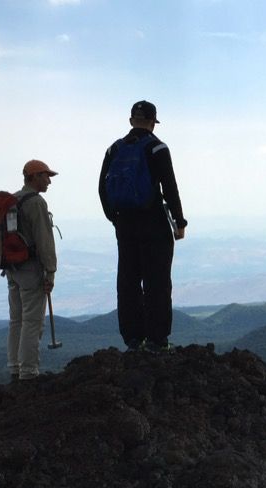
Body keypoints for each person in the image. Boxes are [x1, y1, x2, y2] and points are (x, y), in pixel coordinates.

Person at [99, 100, 187, 353]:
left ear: (130, 121)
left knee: (127, 280)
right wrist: (179, 222)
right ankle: (157, 340)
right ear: (152, 122)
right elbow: (169, 187)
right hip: (153, 221)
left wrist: (114, 218)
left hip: (124, 224)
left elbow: (101, 188)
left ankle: (133, 338)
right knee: (157, 281)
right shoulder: (157, 148)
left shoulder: (113, 150)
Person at [7, 159, 58, 380]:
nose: (49, 181)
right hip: (31, 270)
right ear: (34, 177)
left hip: (12, 268)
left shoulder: (13, 200)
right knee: (32, 321)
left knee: (16, 320)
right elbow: (44, 240)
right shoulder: (36, 202)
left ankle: (15, 367)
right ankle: (29, 371)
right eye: (46, 176)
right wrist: (50, 271)